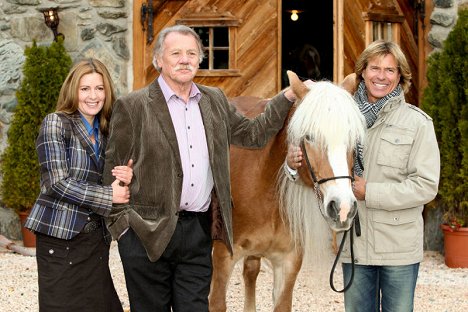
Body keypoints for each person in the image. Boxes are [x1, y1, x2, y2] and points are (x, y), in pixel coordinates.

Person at [102, 24, 298, 312]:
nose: (185, 59)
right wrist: (125, 234)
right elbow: (112, 171)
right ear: (159, 60)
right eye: (176, 53)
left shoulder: (214, 100)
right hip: (147, 234)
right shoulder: (133, 106)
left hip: (197, 232)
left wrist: (287, 98)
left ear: (199, 59)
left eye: (191, 53)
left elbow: (254, 134)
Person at [285, 40, 440, 312]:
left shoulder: (417, 123)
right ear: (363, 72)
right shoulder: (341, 116)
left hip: (398, 250)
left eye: (390, 70)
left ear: (400, 76)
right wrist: (291, 165)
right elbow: (322, 173)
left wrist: (370, 192)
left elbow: (426, 186)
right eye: (374, 68)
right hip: (355, 246)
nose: (381, 76)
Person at [25, 59, 133, 312]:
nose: (93, 96)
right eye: (85, 89)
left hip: (95, 239)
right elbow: (57, 182)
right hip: (60, 237)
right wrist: (109, 194)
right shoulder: (56, 123)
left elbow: (111, 177)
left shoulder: (107, 130)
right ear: (73, 91)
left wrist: (125, 174)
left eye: (99, 88)